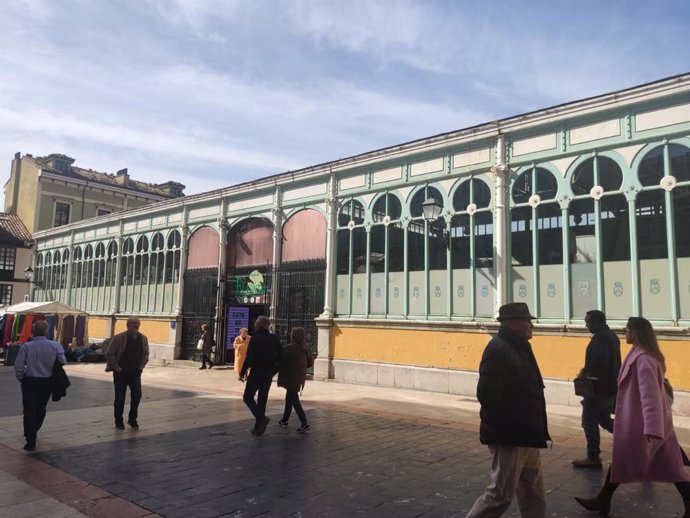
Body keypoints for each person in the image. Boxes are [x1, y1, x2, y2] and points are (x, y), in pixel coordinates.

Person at [575, 317, 690, 517]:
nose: (624, 333)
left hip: (643, 424)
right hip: (649, 423)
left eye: (626, 330)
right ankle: (603, 499)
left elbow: (650, 396)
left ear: (634, 332)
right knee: (672, 468)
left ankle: (602, 500)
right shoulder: (640, 355)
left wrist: (653, 428)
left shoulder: (643, 359)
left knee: (626, 459)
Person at [466, 302, 550, 518]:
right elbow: (487, 394)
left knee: (533, 491)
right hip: (511, 436)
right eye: (527, 320)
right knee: (500, 494)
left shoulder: (520, 346)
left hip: (527, 435)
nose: (531, 324)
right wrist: (511, 426)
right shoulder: (499, 348)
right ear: (513, 324)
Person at [572, 310, 621, 469]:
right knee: (603, 419)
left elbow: (598, 362)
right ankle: (634, 438)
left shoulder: (600, 338)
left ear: (598, 322)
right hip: (609, 387)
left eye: (589, 322)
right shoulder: (611, 336)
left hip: (598, 387)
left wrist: (584, 371)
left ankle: (593, 456)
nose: (586, 325)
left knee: (589, 421)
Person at [14, 320, 66, 451]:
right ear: (46, 331)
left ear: (33, 331)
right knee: (41, 408)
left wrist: (22, 378)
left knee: (29, 409)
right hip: (46, 381)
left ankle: (30, 438)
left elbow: (18, 365)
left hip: (30, 381)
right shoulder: (55, 345)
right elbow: (62, 361)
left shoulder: (26, 346)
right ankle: (34, 430)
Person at [239, 316, 282, 436]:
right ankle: (258, 427)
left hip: (256, 373)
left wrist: (242, 372)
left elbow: (249, 357)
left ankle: (261, 419)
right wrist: (273, 371)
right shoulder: (274, 338)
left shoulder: (255, 338)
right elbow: (281, 357)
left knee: (248, 397)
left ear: (260, 325)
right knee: (262, 400)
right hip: (268, 374)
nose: (254, 324)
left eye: (256, 323)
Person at [105, 317, 149, 430]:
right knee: (120, 397)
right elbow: (109, 353)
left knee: (137, 394)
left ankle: (132, 418)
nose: (136, 325)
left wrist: (141, 367)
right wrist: (116, 367)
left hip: (135, 372)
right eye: (133, 323)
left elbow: (145, 354)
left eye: (138, 323)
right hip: (121, 372)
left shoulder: (143, 338)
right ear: (128, 325)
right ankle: (118, 420)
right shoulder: (119, 338)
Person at [277, 327, 314, 433]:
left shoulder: (289, 347)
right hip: (299, 377)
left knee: (294, 400)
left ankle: (304, 422)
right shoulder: (305, 348)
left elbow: (282, 362)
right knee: (289, 398)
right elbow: (310, 363)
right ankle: (284, 420)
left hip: (290, 377)